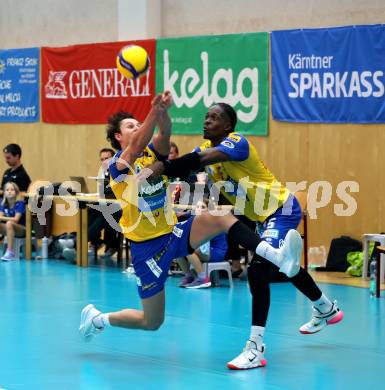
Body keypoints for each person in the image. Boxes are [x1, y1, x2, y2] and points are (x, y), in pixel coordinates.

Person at [78, 92, 302, 342]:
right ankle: (98, 319)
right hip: (146, 248)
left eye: (139, 124)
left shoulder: (152, 153)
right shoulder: (116, 166)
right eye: (131, 126)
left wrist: (162, 112)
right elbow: (135, 146)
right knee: (152, 322)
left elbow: (164, 134)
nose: (138, 127)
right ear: (118, 136)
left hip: (173, 235)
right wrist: (153, 110)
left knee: (220, 215)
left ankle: (274, 254)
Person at [141, 102, 344, 370]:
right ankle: (325, 307)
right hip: (262, 217)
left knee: (258, 270)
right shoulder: (204, 150)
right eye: (206, 117)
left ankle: (256, 348)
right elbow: (186, 166)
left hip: (281, 208)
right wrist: (154, 172)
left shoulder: (237, 142)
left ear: (228, 126)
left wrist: (163, 167)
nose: (207, 121)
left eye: (214, 118)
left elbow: (197, 161)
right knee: (284, 263)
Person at [178, 199, 228, 288]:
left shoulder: (211, 222)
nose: (199, 209)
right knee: (177, 250)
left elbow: (200, 242)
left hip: (216, 251)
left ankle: (203, 279)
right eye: (197, 207)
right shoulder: (195, 219)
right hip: (205, 249)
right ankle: (189, 276)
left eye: (203, 207)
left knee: (188, 250)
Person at [88, 148, 121, 258]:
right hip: (108, 202)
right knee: (90, 209)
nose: (104, 161)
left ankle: (83, 242)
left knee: (106, 213)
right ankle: (95, 241)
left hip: (122, 205)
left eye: (107, 158)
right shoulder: (103, 171)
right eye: (102, 159)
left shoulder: (120, 169)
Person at [0, 182, 26, 261]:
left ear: (16, 192)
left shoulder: (20, 203)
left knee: (9, 223)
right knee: (8, 224)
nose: (9, 191)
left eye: (12, 189)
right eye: (7, 190)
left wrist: (2, 218)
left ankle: (10, 252)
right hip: (9, 229)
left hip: (23, 230)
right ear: (4, 193)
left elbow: (16, 219)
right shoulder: (3, 204)